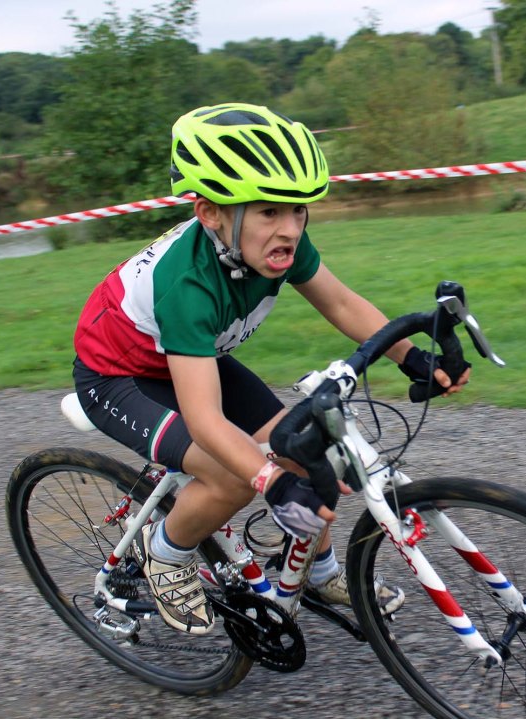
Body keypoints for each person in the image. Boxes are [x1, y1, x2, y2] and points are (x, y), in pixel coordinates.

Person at [72, 103, 469, 635]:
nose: (289, 228)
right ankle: (165, 553)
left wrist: (412, 358)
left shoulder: (271, 244)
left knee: (304, 447)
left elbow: (342, 304)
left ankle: (317, 572)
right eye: (268, 212)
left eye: (298, 211)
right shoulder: (188, 287)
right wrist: (271, 481)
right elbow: (206, 421)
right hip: (117, 376)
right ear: (210, 213)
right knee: (231, 477)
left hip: (189, 357)